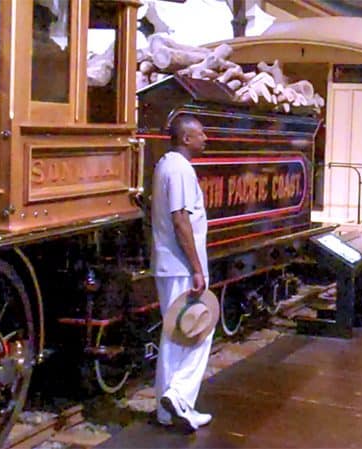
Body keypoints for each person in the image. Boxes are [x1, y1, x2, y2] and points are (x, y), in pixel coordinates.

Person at [152, 115, 213, 432]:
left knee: (173, 337)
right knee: (198, 333)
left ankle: (166, 409)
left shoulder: (165, 164)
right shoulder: (180, 169)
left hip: (169, 265)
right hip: (181, 267)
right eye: (201, 134)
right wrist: (197, 269)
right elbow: (180, 220)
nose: (206, 139)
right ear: (186, 138)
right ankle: (179, 396)